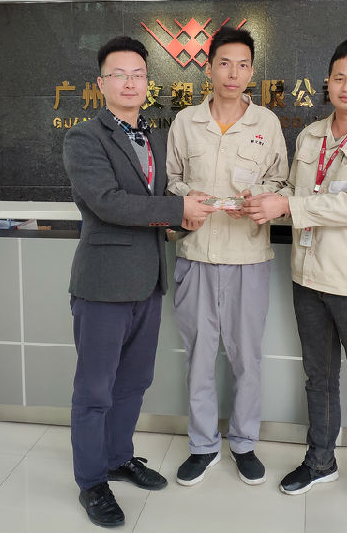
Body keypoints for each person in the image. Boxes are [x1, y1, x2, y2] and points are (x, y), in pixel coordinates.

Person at [242, 38, 347, 517]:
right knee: (318, 377)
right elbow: (294, 189)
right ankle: (320, 460)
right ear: (328, 82)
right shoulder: (312, 135)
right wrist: (258, 196)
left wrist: (288, 205)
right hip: (308, 276)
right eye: (339, 77)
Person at [63, 35, 216, 528]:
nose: (130, 83)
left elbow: (152, 208)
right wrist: (176, 207)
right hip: (103, 285)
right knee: (95, 391)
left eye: (138, 75)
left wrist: (181, 221)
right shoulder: (85, 138)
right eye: (119, 75)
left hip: (148, 282)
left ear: (148, 82)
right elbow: (108, 202)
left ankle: (117, 457)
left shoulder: (153, 137)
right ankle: (92, 483)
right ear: (101, 83)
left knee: (133, 383)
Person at [165, 26, 289, 487]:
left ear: (251, 72)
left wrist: (261, 200)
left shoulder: (267, 124)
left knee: (246, 359)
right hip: (196, 255)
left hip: (248, 258)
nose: (233, 74)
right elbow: (171, 180)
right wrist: (187, 199)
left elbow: (282, 183)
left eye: (242, 65)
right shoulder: (185, 122)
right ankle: (202, 446)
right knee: (199, 358)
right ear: (209, 68)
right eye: (224, 63)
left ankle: (244, 443)